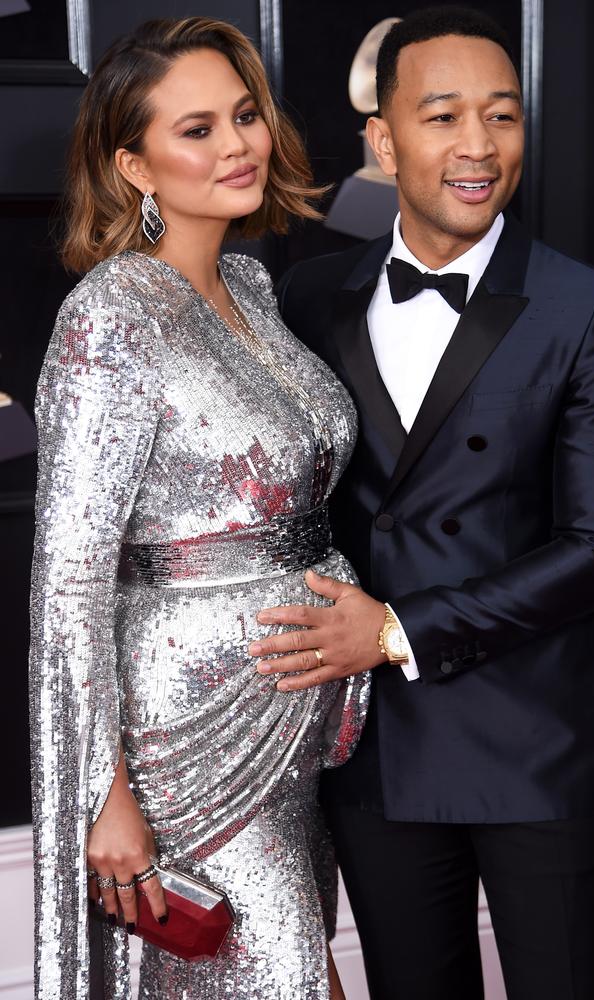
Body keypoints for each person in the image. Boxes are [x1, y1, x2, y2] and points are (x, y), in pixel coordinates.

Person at [249, 7, 594, 999]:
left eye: (502, 116)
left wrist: (392, 629)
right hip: (377, 756)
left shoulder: (588, 307)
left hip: (541, 752)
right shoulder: (308, 299)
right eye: (442, 117)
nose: (477, 146)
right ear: (382, 139)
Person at [29, 16, 369, 1000]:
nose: (236, 145)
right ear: (133, 164)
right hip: (186, 742)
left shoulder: (253, 289)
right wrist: (104, 799)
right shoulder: (112, 316)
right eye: (196, 130)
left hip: (292, 721)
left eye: (244, 115)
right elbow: (69, 587)